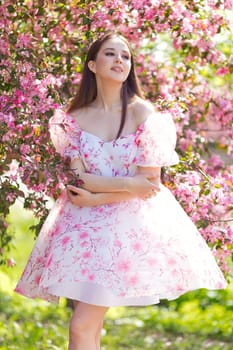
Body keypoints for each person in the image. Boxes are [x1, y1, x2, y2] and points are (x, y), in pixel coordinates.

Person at [15, 32, 227, 350]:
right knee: (89, 323)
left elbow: (150, 185)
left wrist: (99, 192)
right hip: (82, 228)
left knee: (81, 324)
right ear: (92, 64)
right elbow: (78, 179)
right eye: (111, 54)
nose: (119, 60)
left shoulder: (145, 115)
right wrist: (103, 188)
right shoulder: (71, 119)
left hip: (125, 227)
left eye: (125, 56)